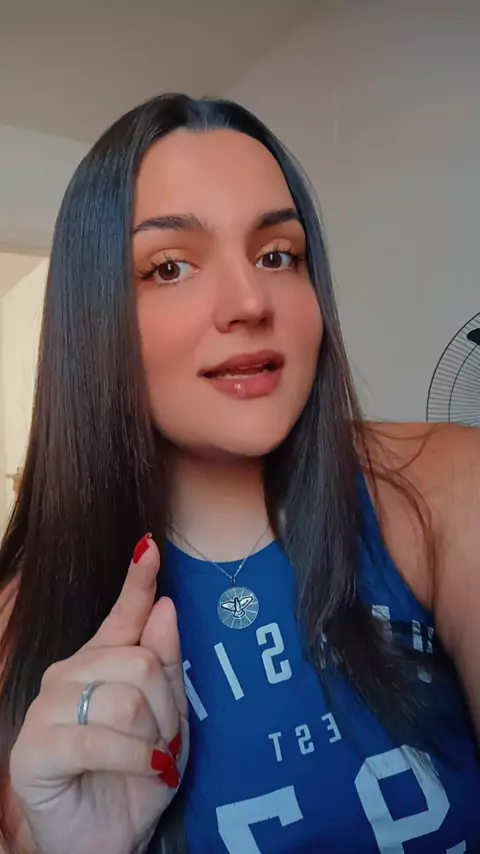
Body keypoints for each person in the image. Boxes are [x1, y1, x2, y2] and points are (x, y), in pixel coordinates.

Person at [0, 93, 479, 854]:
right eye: (170, 267)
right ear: (93, 317)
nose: (251, 302)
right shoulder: (17, 627)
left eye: (277, 255)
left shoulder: (444, 486)